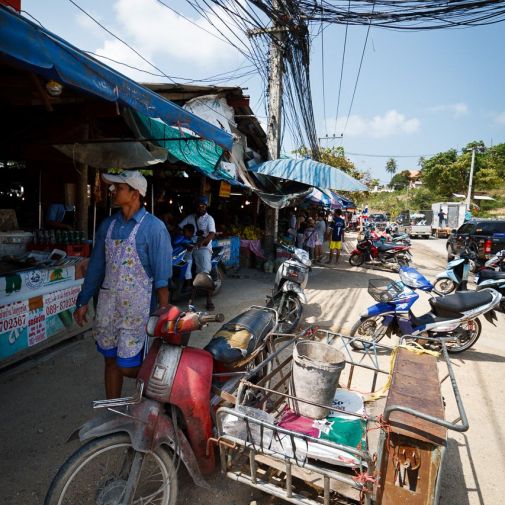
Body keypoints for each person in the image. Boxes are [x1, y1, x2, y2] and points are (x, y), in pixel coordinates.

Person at [73, 170, 172, 399]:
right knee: (110, 360)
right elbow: (97, 267)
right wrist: (83, 300)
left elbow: (162, 280)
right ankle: (112, 411)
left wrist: (164, 318)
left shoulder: (154, 228)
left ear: (135, 193)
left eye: (119, 188)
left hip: (137, 311)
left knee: (126, 365)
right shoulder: (108, 225)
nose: (113, 191)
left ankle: (157, 390)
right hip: (108, 307)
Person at [179, 196, 216, 310]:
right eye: (199, 206)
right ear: (196, 207)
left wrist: (202, 243)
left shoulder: (209, 219)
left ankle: (209, 301)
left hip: (204, 248)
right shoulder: (190, 218)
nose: (201, 208)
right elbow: (180, 227)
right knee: (183, 265)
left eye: (203, 206)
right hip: (191, 247)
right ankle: (188, 289)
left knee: (204, 274)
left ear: (206, 207)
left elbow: (211, 234)